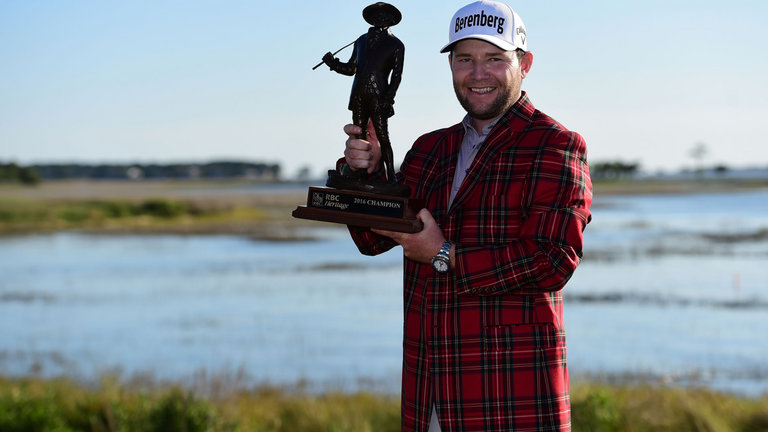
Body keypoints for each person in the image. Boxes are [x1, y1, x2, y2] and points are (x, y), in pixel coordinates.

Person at [337, 1, 592, 430]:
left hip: (512, 401)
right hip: (429, 397)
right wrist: (366, 173)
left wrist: (445, 254)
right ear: (451, 65)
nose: (478, 74)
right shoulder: (429, 148)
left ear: (524, 64)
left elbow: (552, 260)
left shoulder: (555, 144)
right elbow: (373, 239)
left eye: (495, 59)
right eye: (464, 59)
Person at [322, 2, 405, 187]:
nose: (380, 19)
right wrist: (333, 64)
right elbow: (352, 68)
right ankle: (358, 173)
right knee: (358, 133)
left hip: (379, 96)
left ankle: (391, 176)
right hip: (359, 93)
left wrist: (388, 98)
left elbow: (397, 77)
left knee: (382, 136)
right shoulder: (360, 40)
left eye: (384, 16)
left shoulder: (396, 45)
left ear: (391, 21)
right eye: (377, 16)